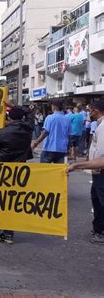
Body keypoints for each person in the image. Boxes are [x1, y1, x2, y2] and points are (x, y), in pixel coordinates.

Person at [0, 105, 34, 244]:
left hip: (0, 172)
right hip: (19, 171)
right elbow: (29, 113)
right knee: (12, 202)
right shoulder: (28, 129)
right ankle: (8, 234)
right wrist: (13, 105)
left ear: (9, 118)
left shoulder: (0, 133)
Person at [68, 100, 104, 244]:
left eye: (90, 110)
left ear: (95, 110)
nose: (88, 113)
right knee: (97, 200)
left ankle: (100, 232)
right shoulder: (99, 125)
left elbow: (102, 160)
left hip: (101, 173)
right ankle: (98, 229)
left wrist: (77, 166)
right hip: (97, 173)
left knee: (101, 202)